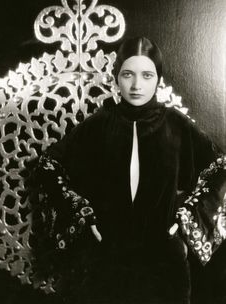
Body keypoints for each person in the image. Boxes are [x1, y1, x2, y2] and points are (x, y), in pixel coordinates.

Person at [30, 37, 226, 304]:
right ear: (116, 78)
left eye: (147, 75)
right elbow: (47, 167)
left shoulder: (176, 126)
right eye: (128, 75)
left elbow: (219, 170)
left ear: (158, 79)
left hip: (163, 264)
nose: (136, 85)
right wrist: (81, 215)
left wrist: (184, 221)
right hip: (104, 259)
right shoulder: (97, 126)